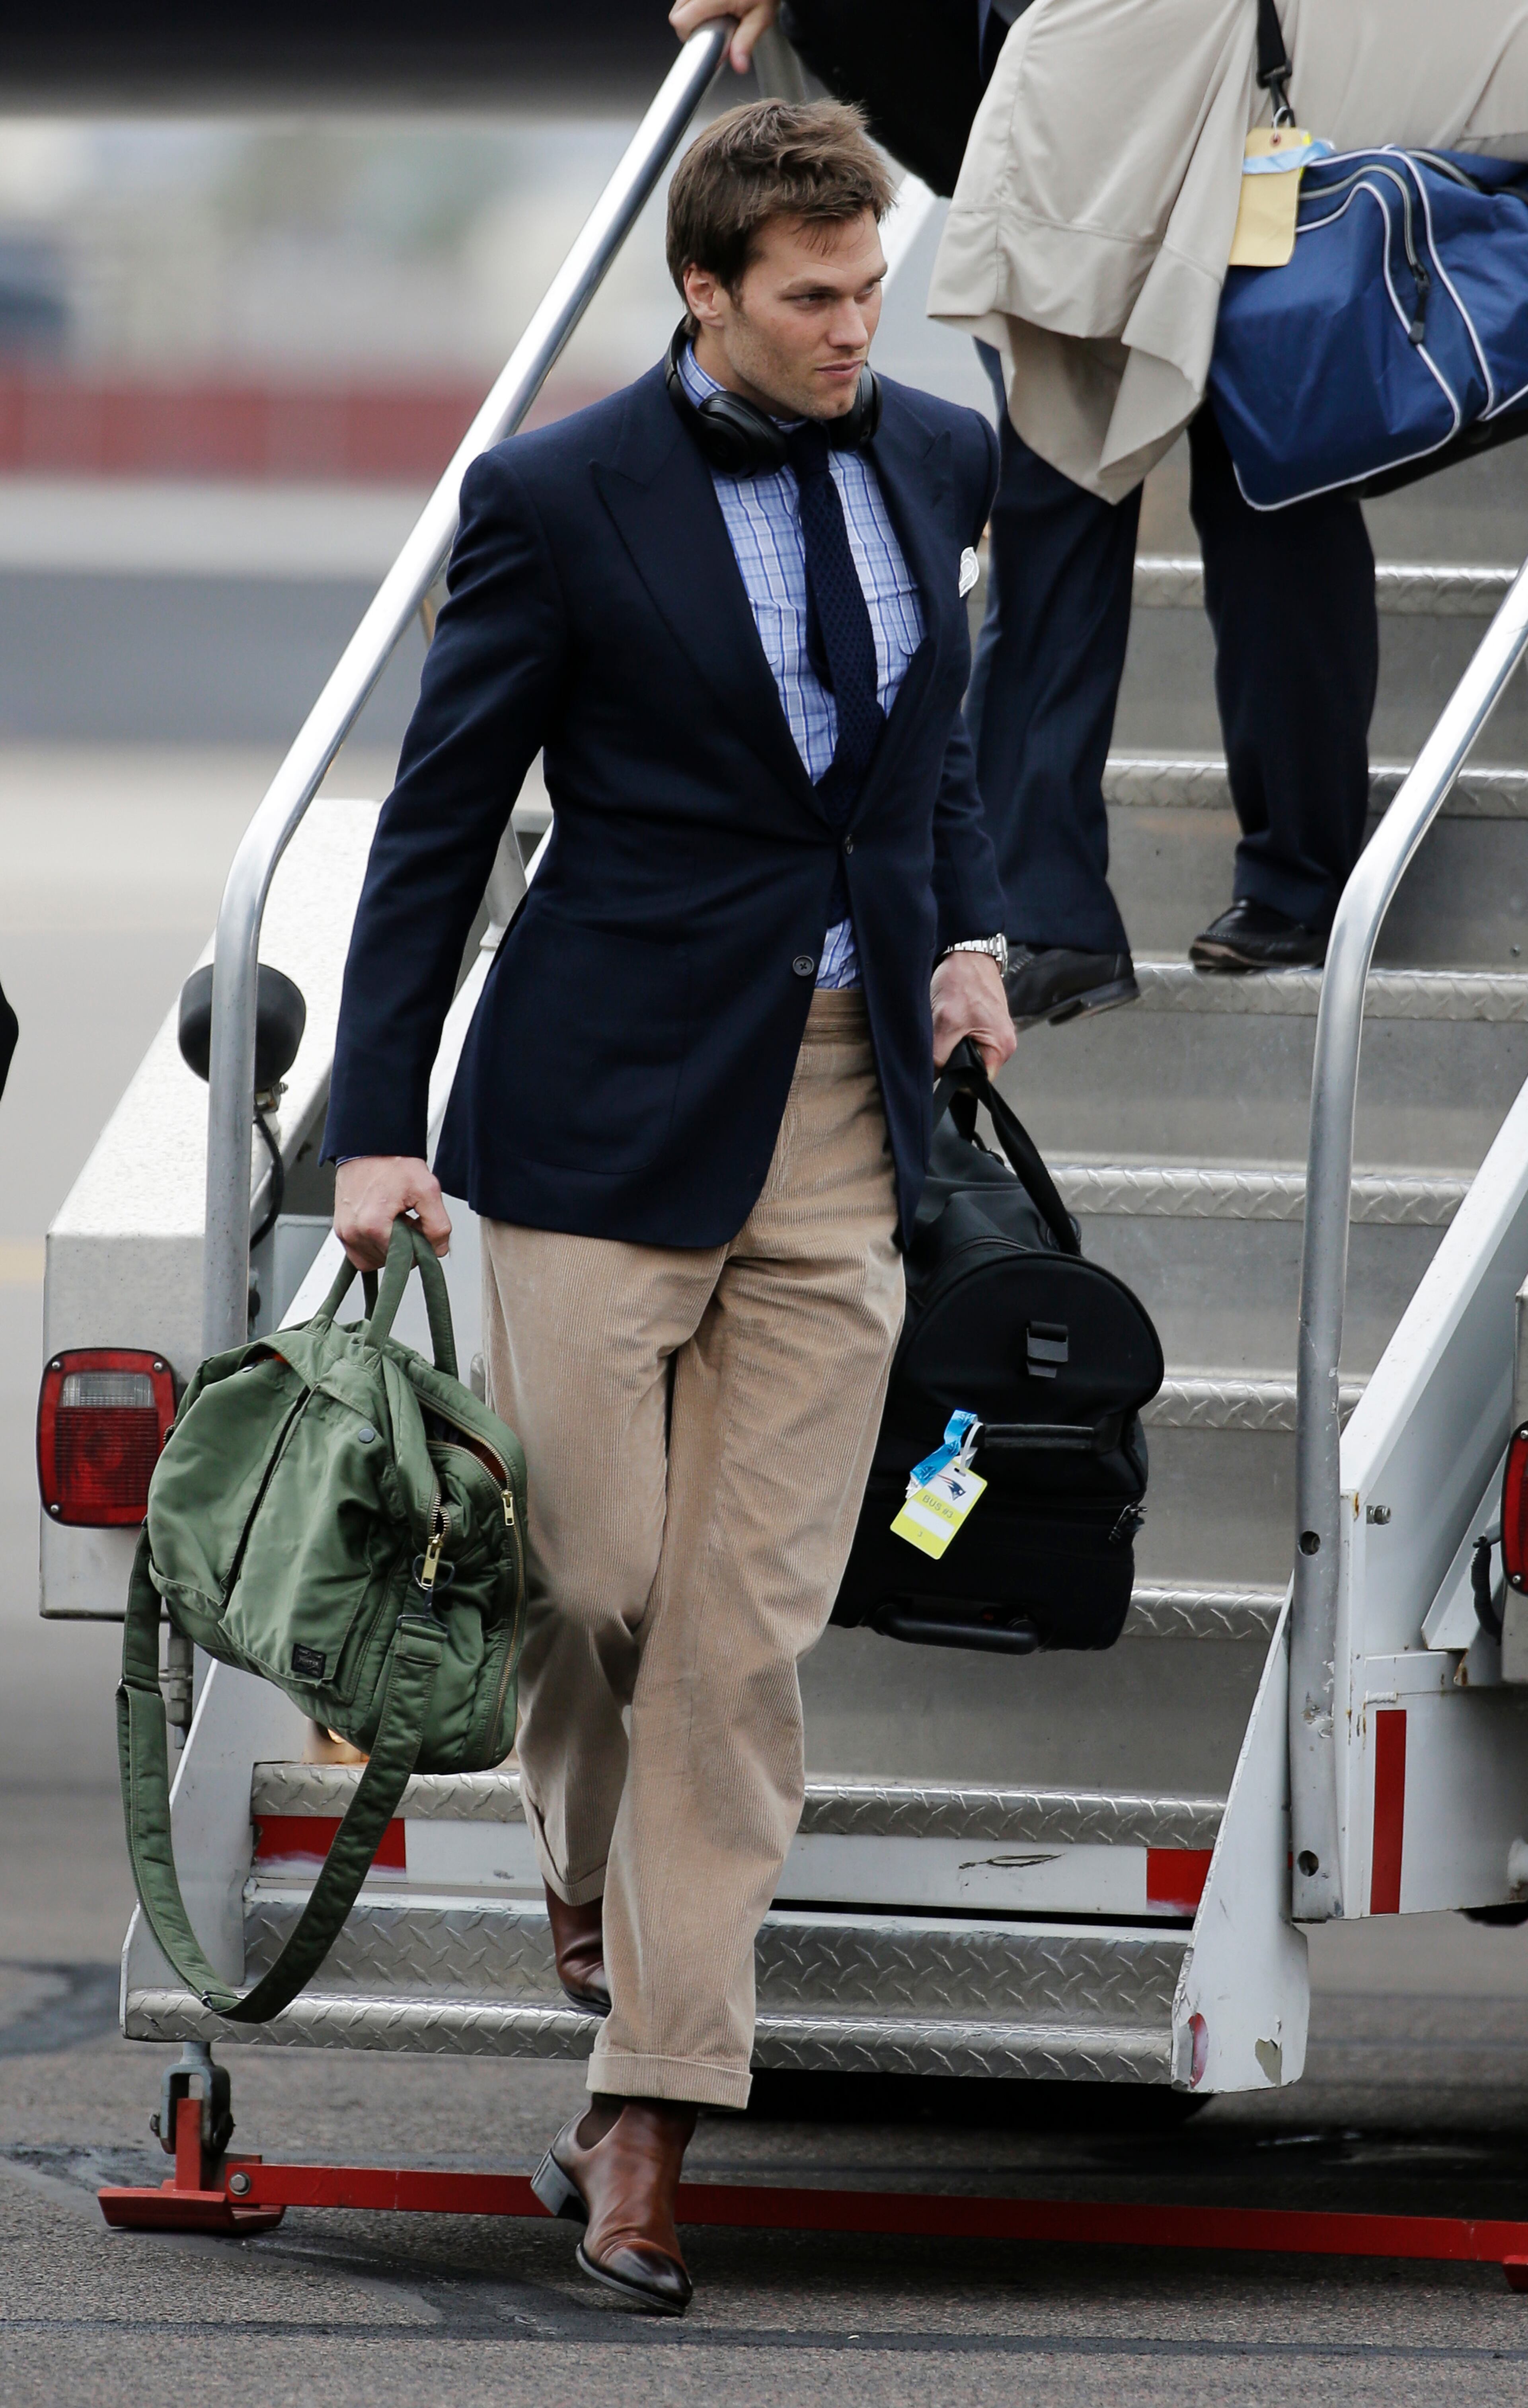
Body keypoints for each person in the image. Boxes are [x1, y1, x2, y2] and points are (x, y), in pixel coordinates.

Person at [324, 98, 1014, 2316]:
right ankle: (587, 1869)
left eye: (869, 288)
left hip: (845, 1117)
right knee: (591, 1568)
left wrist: (972, 924)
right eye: (809, 297)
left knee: (744, 1645)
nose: (853, 330)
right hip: (601, 1110)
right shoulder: (550, 498)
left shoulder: (931, 455)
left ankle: (650, 2112)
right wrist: (372, 1117)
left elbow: (943, 735)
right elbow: (438, 822)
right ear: (703, 291)